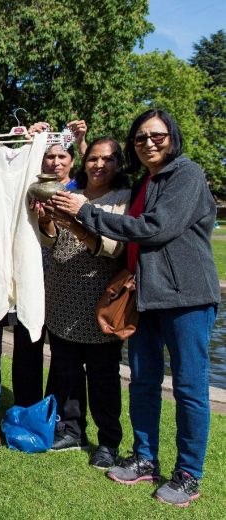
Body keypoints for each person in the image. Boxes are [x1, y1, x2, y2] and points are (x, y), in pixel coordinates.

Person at [52, 109, 219, 507]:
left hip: (186, 297)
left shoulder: (186, 174)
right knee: (143, 381)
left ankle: (188, 474)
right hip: (144, 296)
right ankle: (145, 458)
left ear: (172, 137)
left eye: (156, 135)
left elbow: (155, 228)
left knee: (190, 388)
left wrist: (85, 213)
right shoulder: (145, 181)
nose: (148, 142)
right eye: (141, 137)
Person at [34, 137, 131, 468]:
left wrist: (76, 225)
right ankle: (73, 429)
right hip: (62, 293)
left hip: (99, 297)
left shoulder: (122, 200)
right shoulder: (70, 194)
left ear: (118, 164)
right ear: (84, 162)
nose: (99, 165)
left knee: (103, 374)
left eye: (107, 159)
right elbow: (50, 239)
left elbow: (117, 248)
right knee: (67, 369)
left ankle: (108, 441)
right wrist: (47, 220)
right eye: (93, 159)